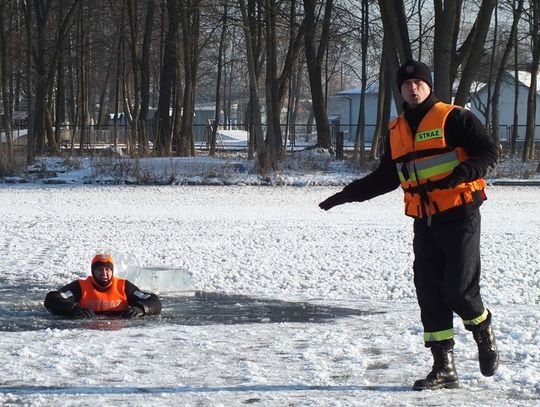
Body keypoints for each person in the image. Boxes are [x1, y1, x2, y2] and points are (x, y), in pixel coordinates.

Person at [319, 60, 499, 390]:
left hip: (460, 216)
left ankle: (483, 329)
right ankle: (444, 368)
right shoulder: (397, 129)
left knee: (458, 290)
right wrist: (347, 195)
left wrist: (463, 173)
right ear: (399, 91)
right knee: (429, 293)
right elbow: (386, 177)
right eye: (405, 85)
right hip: (424, 220)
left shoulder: (455, 117)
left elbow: (488, 151)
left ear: (428, 86)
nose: (412, 88)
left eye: (418, 82)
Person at [44, 253, 162, 319]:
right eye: (99, 269)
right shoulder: (81, 286)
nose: (104, 273)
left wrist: (140, 309)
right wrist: (75, 309)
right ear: (93, 271)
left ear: (112, 270)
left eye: (107, 269)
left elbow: (153, 301)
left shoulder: (123, 286)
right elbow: (52, 299)